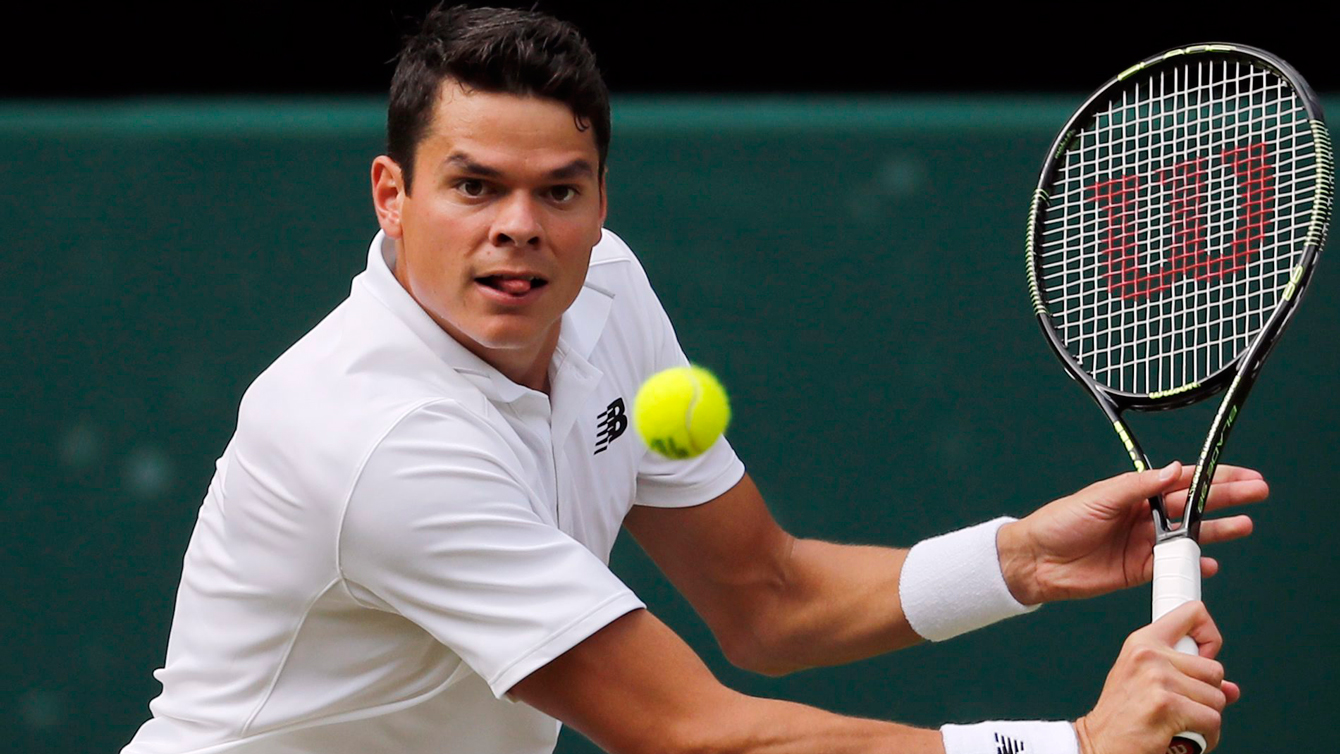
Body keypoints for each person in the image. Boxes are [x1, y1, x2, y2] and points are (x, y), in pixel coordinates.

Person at [121, 5, 1268, 754]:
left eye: (558, 192)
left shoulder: (606, 291)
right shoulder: (375, 437)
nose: (518, 229)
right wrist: (1067, 746)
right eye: (473, 187)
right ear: (391, 196)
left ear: (599, 203)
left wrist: (1015, 560)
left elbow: (768, 601)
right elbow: (693, 733)